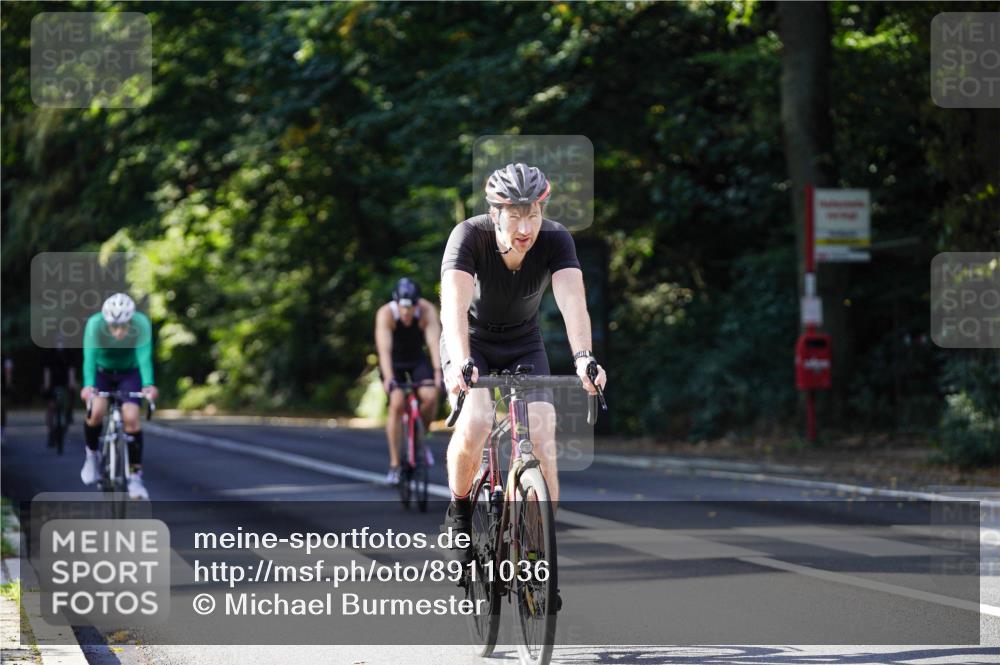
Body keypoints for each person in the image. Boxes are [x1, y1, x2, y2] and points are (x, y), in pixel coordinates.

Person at [439, 162, 608, 553]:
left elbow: (572, 302)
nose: (525, 229)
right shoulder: (468, 236)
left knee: (544, 432)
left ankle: (535, 543)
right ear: (495, 214)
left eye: (533, 215)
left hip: (523, 342)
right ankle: (460, 511)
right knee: (478, 419)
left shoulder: (556, 239)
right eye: (515, 216)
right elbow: (453, 307)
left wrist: (584, 357)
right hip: (471, 340)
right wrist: (463, 362)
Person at [79, 293, 158, 500]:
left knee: (131, 419)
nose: (118, 332)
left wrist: (148, 384)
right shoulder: (95, 324)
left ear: (130, 320)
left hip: (129, 373)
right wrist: (88, 385)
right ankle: (92, 457)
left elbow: (144, 356)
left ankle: (135, 479)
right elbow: (89, 357)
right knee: (96, 412)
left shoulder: (141, 323)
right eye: (114, 326)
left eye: (123, 326)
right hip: (102, 372)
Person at [374, 278, 442, 484]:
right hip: (393, 362)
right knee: (397, 403)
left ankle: (420, 438)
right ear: (396, 303)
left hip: (416, 360)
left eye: (411, 307)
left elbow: (434, 344)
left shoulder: (427, 311)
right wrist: (388, 379)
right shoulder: (386, 314)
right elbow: (383, 350)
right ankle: (395, 465)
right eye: (403, 308)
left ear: (417, 303)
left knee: (430, 396)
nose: (406, 313)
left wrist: (438, 373)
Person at [42, 337, 78, 451]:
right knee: (51, 407)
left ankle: (69, 414)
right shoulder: (50, 353)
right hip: (53, 383)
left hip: (65, 383)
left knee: (70, 397)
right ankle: (50, 432)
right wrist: (47, 384)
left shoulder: (68, 353)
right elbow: (47, 370)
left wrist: (72, 383)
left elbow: (71, 370)